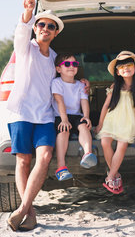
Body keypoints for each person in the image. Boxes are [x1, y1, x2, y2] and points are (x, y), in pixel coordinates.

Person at [5, 0, 64, 231]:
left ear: (55, 33)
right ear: (36, 29)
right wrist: (29, 14)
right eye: (42, 25)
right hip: (21, 112)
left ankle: (22, 209)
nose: (45, 29)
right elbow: (21, 32)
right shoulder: (26, 48)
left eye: (51, 27)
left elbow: (64, 83)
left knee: (45, 157)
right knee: (23, 161)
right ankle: (30, 212)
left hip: (45, 116)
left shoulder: (56, 59)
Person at [95, 51, 135, 194]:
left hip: (128, 121)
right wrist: (100, 123)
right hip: (111, 120)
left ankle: (111, 176)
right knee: (105, 142)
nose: (125, 68)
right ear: (117, 72)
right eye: (121, 66)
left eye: (129, 64)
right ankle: (115, 174)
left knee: (122, 145)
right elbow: (106, 106)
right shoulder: (114, 87)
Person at [51, 53, 97, 182]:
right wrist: (64, 119)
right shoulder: (56, 82)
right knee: (64, 130)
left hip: (77, 115)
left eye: (74, 64)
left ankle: (87, 154)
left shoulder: (81, 85)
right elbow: (59, 101)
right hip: (61, 115)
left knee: (84, 126)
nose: (71, 66)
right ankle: (61, 167)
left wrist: (87, 116)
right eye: (67, 64)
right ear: (58, 69)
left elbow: (84, 102)